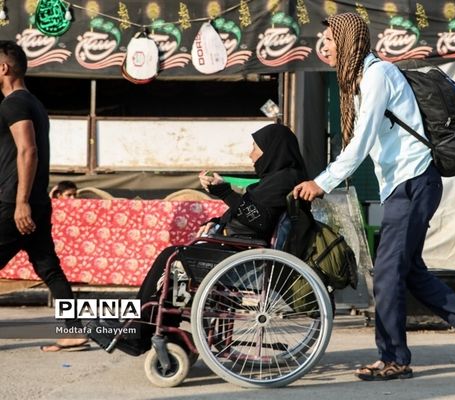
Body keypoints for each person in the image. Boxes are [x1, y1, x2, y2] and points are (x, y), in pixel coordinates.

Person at [292, 13, 455, 380]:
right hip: (402, 186)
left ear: (349, 41)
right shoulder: (360, 80)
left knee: (387, 273)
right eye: (321, 41)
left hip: (413, 182)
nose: (322, 46)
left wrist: (323, 181)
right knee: (410, 273)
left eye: (329, 39)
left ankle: (394, 359)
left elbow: (362, 141)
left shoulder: (378, 75)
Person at [88, 123, 308, 355]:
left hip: (246, 257)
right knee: (175, 266)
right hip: (240, 251)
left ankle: (137, 332)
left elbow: (259, 219)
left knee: (171, 256)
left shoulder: (284, 180)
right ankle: (148, 330)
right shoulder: (275, 179)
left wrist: (224, 193)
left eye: (255, 147)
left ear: (273, 150)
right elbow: (251, 212)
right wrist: (218, 219)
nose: (250, 153)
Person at [0, 40, 88, 352]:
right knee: (48, 267)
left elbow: (28, 150)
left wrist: (20, 201)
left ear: (4, 68)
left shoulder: (14, 103)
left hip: (16, 202)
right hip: (35, 201)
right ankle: (73, 331)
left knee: (49, 267)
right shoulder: (33, 103)